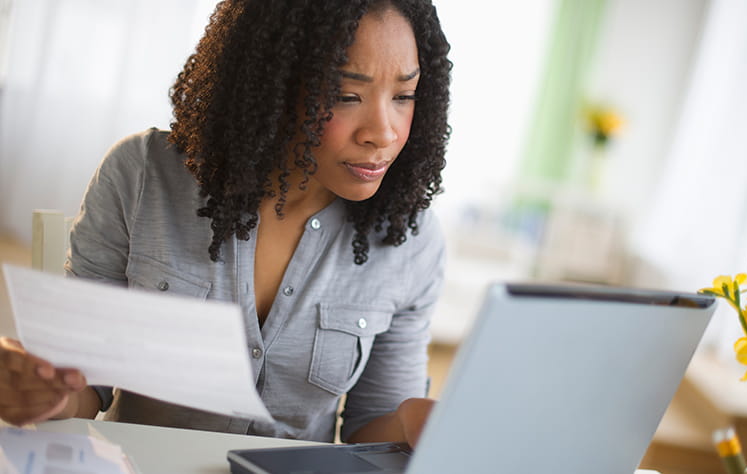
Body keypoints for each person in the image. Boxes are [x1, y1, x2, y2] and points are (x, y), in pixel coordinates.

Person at [0, 0, 451, 447]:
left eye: (403, 96)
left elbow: (368, 436)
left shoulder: (411, 241)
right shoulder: (142, 176)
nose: (384, 132)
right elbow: (82, 388)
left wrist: (418, 420)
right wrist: (42, 393)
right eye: (346, 96)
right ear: (273, 81)